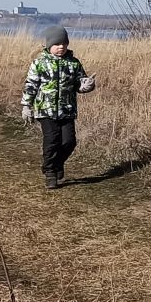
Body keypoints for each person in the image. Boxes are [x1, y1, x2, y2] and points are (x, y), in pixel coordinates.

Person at [20, 27, 96, 189]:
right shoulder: (39, 63)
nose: (61, 47)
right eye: (57, 43)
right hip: (45, 110)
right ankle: (50, 173)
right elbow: (31, 85)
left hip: (67, 110)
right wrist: (26, 105)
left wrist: (87, 85)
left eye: (64, 43)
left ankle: (57, 163)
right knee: (52, 141)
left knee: (69, 142)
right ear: (49, 45)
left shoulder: (73, 63)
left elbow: (79, 84)